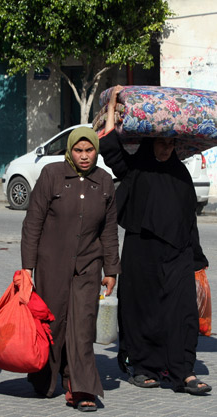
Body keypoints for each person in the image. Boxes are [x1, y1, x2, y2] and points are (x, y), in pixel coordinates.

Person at [99, 85, 212, 395]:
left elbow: (189, 220)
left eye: (170, 143)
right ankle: (143, 366)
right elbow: (109, 143)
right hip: (141, 251)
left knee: (182, 312)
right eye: (161, 142)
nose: (165, 149)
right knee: (142, 310)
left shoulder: (181, 176)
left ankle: (183, 372)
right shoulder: (136, 169)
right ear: (152, 143)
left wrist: (197, 264)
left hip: (177, 255)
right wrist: (112, 101)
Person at [21, 126, 121, 411]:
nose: (84, 156)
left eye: (89, 150)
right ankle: (44, 378)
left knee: (82, 327)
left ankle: (81, 389)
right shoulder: (52, 175)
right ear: (70, 151)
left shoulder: (104, 182)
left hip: (89, 265)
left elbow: (109, 230)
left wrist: (111, 270)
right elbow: (33, 223)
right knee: (53, 323)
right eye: (79, 150)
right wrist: (28, 267)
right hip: (51, 264)